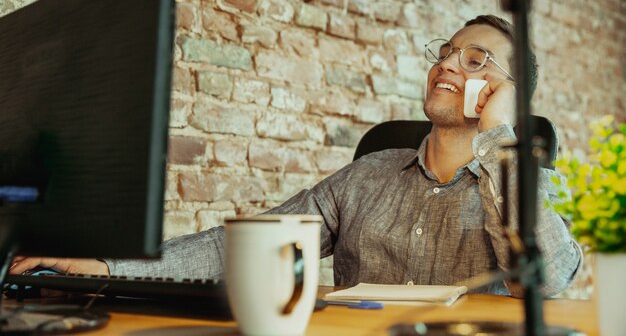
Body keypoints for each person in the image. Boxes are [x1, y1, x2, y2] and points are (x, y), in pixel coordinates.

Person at [10, 15, 582, 297]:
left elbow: (552, 279)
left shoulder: (524, 184)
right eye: (448, 52)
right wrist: (112, 267)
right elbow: (243, 246)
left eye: (477, 60)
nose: (450, 65)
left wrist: (501, 138)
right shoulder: (367, 175)